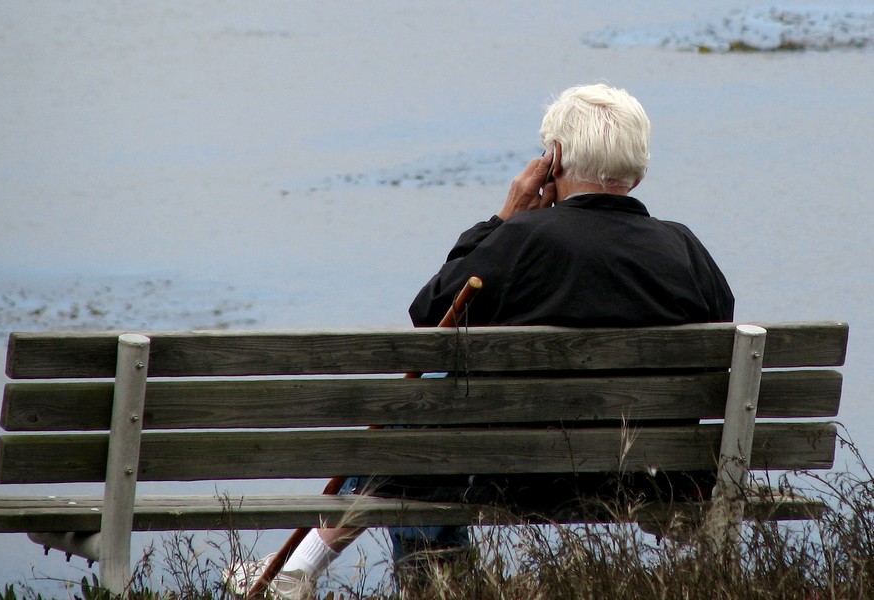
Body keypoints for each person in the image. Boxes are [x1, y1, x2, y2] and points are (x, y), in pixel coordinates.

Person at [225, 82, 734, 598]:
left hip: (514, 474)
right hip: (648, 475)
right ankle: (303, 569)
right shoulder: (686, 249)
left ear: (552, 160)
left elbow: (429, 318)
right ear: (640, 171)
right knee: (425, 424)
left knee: (422, 423)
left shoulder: (522, 241)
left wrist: (503, 219)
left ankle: (351, 575)